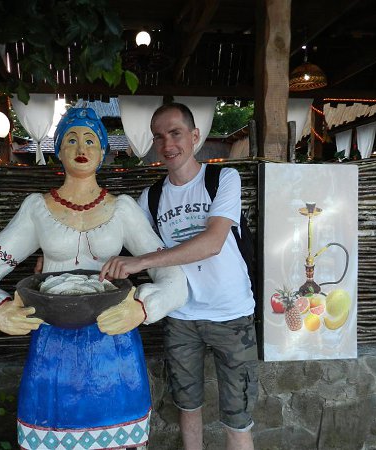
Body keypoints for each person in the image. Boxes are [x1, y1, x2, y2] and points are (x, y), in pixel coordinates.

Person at [0, 107, 187, 450]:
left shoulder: (123, 210)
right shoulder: (37, 210)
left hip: (114, 346)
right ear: (58, 151)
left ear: (103, 150)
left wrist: (142, 308)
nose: (81, 147)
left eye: (90, 140)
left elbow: (173, 276)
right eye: (71, 139)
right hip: (53, 350)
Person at [100, 103, 258, 450]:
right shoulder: (151, 198)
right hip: (181, 315)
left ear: (195, 136)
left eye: (175, 133)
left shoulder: (223, 179)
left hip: (232, 314)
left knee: (238, 418)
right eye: (159, 137)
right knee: (187, 407)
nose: (167, 144)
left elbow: (213, 242)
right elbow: (118, 240)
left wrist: (140, 262)